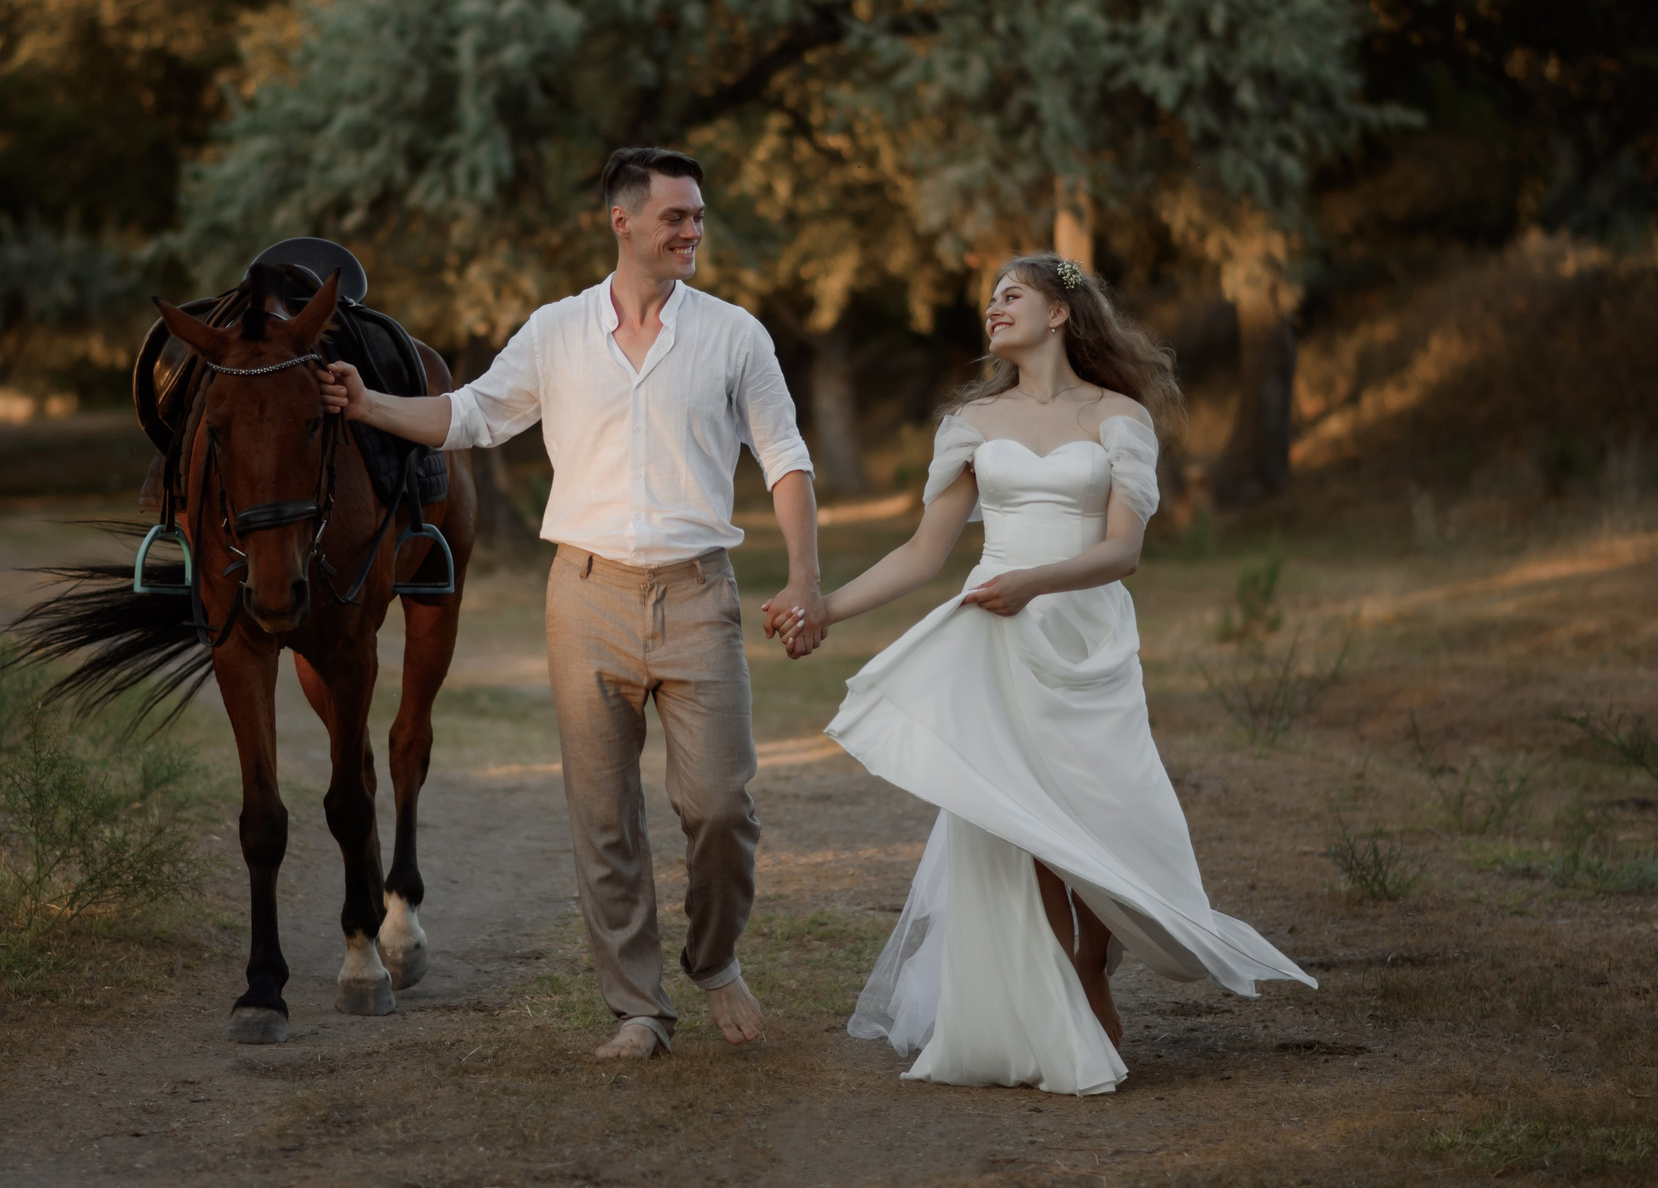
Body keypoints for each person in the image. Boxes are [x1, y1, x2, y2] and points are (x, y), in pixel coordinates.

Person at [316, 147, 823, 1060]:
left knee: (720, 805)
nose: (693, 229)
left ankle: (715, 959)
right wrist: (368, 405)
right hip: (583, 595)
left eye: (699, 215)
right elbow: (469, 416)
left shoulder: (736, 335)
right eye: (677, 216)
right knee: (602, 815)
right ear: (622, 221)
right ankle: (638, 1007)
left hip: (699, 594)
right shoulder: (555, 332)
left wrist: (805, 576)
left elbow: (784, 456)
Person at [765, 255, 1312, 1094]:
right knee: (1024, 825)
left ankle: (1099, 953)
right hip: (997, 640)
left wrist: (1034, 582)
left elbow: (1122, 551)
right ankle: (1065, 985)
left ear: (1060, 312)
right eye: (989, 298)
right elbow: (923, 553)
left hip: (1084, 637)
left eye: (1011, 294)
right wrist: (825, 609)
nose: (993, 307)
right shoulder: (975, 421)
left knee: (1108, 814)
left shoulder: (1120, 417)